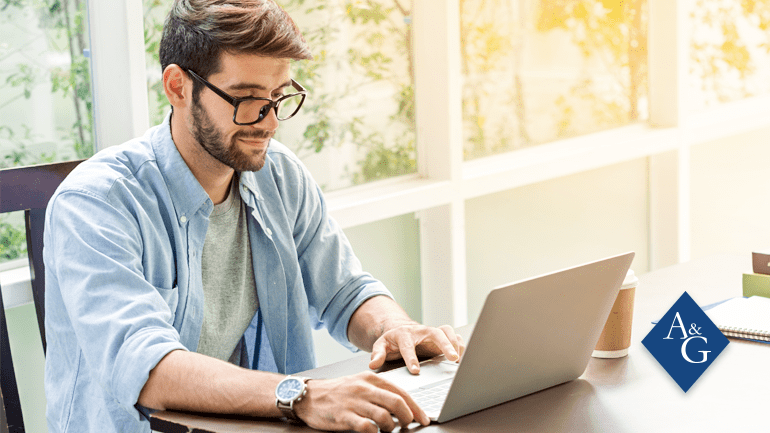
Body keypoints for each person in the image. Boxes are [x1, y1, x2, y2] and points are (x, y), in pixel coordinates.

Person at [43, 1, 463, 432]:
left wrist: (395, 329)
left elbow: (344, 291)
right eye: (246, 99)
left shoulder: (278, 174)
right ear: (177, 87)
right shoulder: (97, 202)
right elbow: (147, 365)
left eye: (279, 97)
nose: (269, 122)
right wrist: (300, 396)